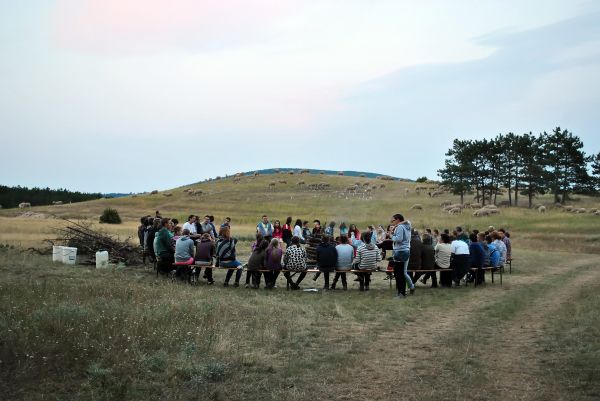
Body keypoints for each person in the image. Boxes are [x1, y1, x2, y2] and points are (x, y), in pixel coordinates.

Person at [391, 214, 414, 298]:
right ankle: (402, 292)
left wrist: (391, 236)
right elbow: (408, 221)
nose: (392, 222)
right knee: (400, 273)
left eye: (393, 220)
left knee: (399, 274)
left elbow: (399, 239)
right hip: (405, 250)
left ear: (397, 220)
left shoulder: (400, 227)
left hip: (400, 251)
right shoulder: (407, 226)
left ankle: (402, 293)